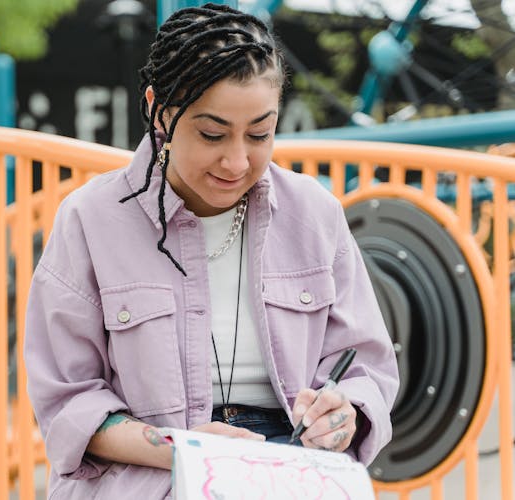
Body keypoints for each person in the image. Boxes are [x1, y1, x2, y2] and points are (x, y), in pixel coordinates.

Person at [24, 3, 399, 498]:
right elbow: (67, 401)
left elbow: (366, 367)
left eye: (261, 134)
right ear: (160, 110)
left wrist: (343, 412)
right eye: (212, 134)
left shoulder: (315, 214)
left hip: (293, 469)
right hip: (151, 472)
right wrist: (181, 450)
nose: (238, 160)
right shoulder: (89, 220)